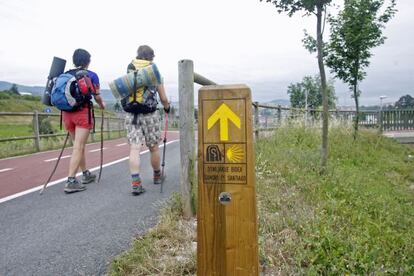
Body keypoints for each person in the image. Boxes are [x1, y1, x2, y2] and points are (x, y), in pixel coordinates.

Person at [125, 45, 170, 195]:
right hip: (150, 115)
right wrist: (167, 106)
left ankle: (136, 183)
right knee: (154, 147)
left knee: (135, 148)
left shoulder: (130, 68)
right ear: (151, 57)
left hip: (132, 114)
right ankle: (157, 175)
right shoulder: (154, 71)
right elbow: (163, 98)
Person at [63, 48, 105, 193]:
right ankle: (71, 180)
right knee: (79, 146)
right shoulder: (91, 75)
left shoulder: (65, 75)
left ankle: (86, 174)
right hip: (82, 113)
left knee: (77, 146)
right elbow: (97, 96)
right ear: (88, 61)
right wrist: (102, 105)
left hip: (67, 114)